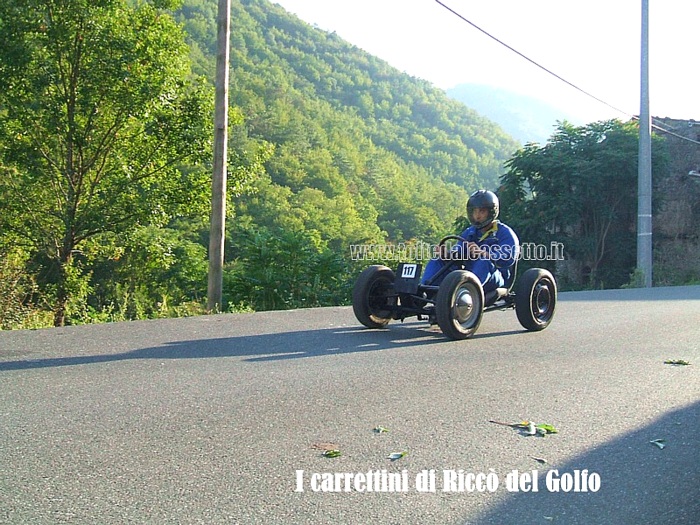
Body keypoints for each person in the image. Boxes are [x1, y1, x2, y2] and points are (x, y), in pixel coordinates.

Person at [420, 190, 520, 293]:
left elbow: (508, 258)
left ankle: (465, 294)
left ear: (492, 211)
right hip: (467, 275)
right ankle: (423, 291)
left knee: (484, 261)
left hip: (495, 277)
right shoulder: (470, 232)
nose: (477, 216)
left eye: (482, 211)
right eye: (474, 211)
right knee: (437, 260)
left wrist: (485, 254)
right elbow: (458, 252)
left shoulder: (505, 233)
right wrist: (446, 255)